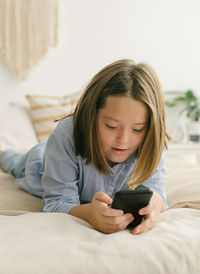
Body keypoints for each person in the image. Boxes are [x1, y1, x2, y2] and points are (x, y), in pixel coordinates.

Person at [0, 59, 170, 235]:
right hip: (41, 163)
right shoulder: (66, 135)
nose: (123, 140)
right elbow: (57, 202)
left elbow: (157, 193)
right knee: (15, 163)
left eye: (138, 129)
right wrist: (89, 213)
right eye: (111, 126)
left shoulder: (152, 139)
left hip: (57, 152)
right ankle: (5, 153)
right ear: (91, 115)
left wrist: (154, 207)